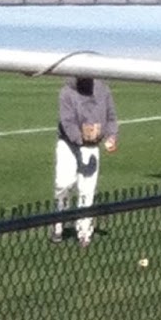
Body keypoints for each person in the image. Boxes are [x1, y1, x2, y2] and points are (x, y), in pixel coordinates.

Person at [52, 76, 118, 247]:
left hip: (92, 145)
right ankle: (58, 221)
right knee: (63, 183)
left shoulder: (103, 90)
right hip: (69, 144)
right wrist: (81, 139)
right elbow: (67, 122)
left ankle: (84, 231)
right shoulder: (67, 92)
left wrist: (111, 137)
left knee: (87, 189)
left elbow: (111, 117)